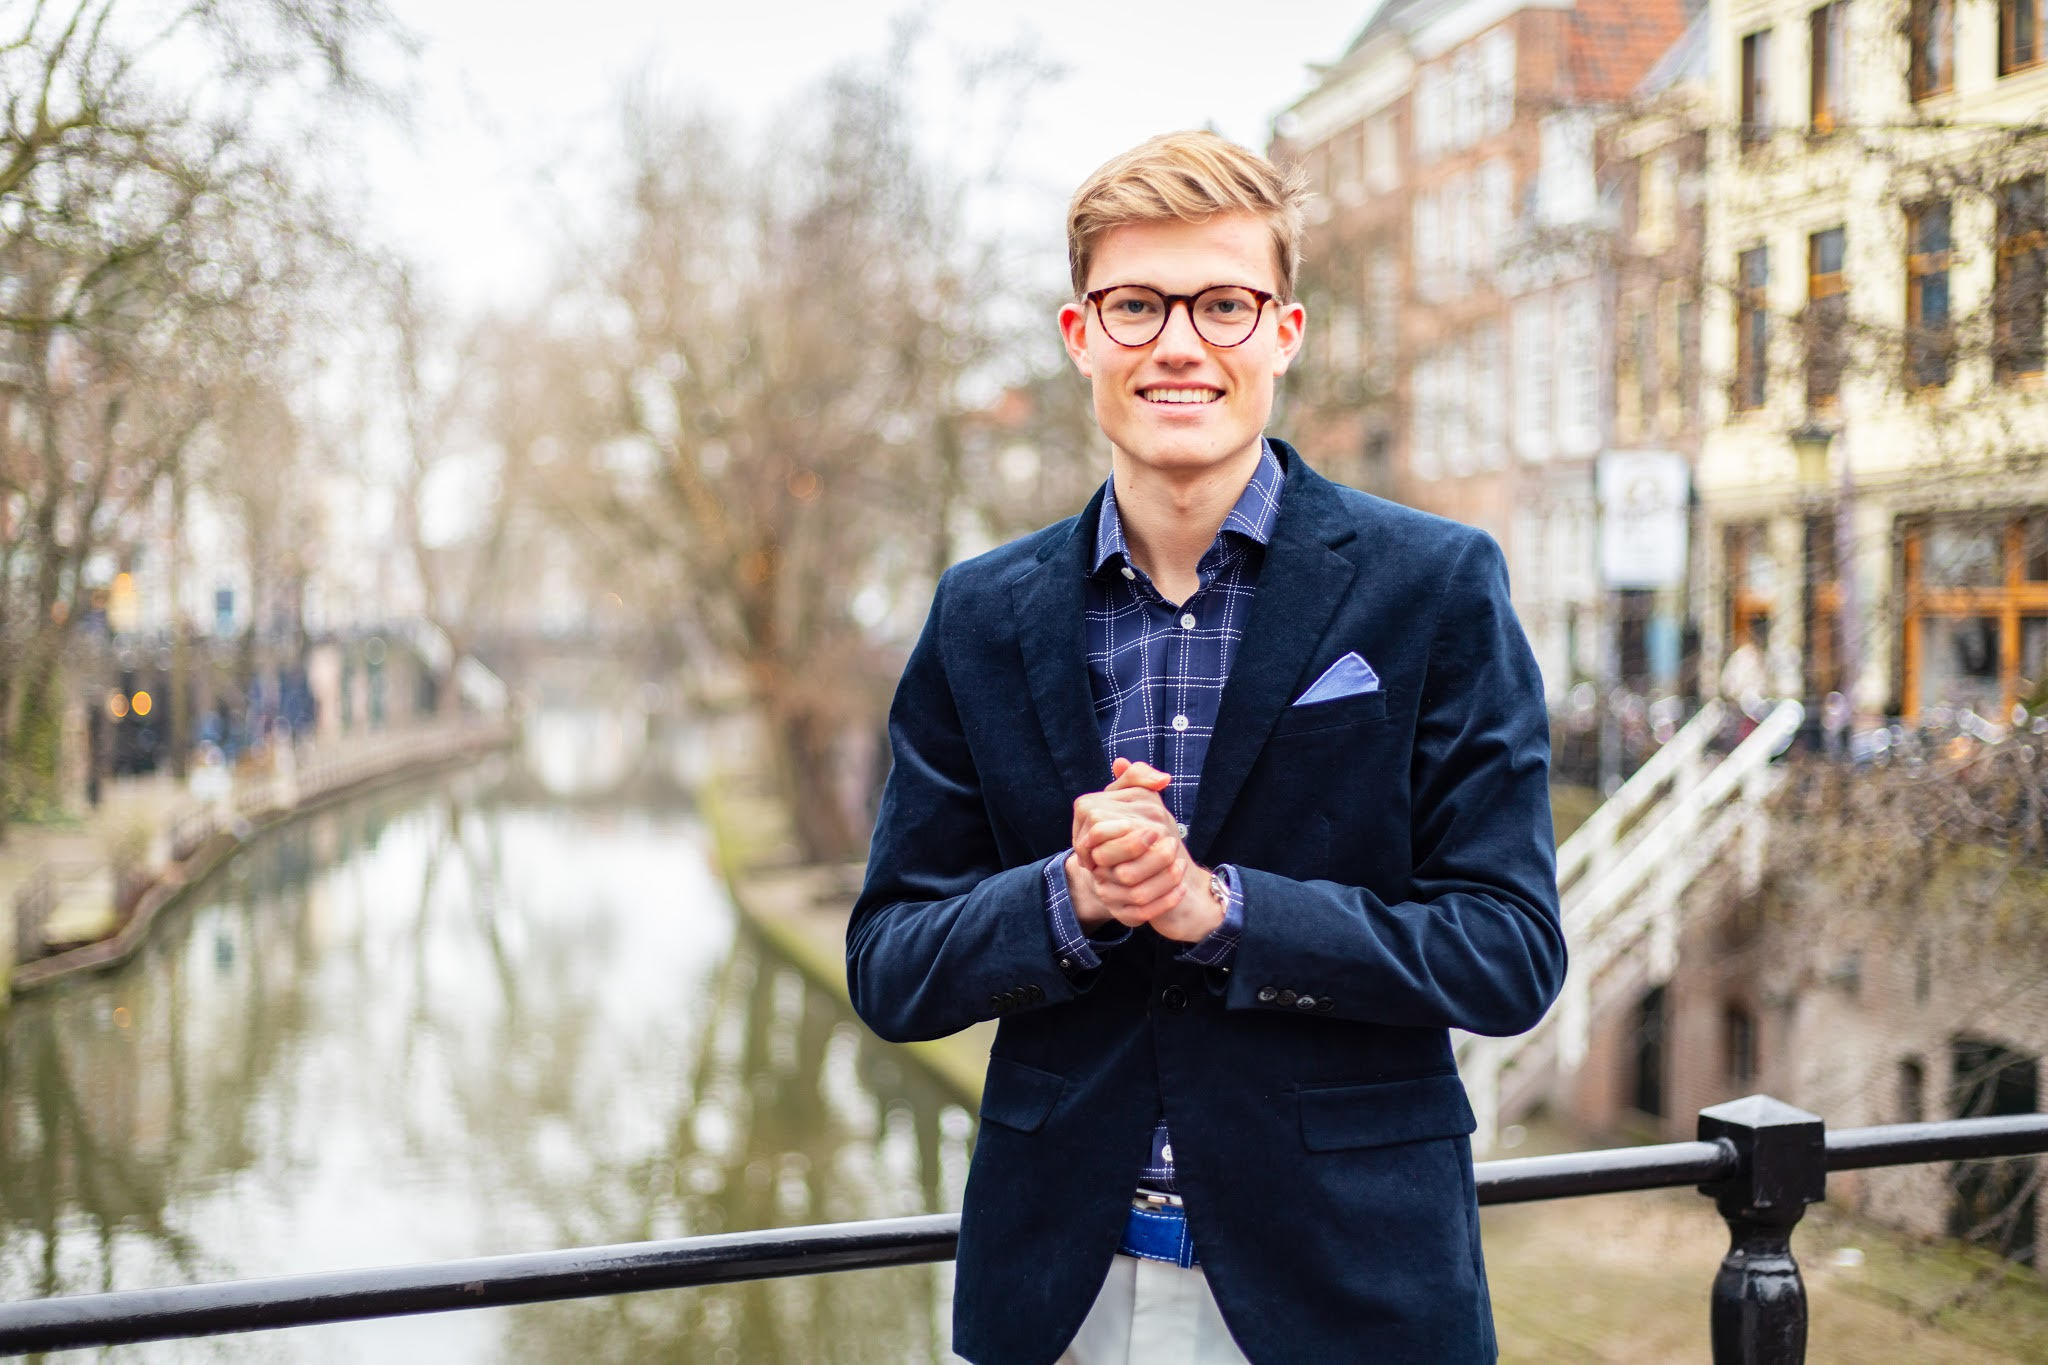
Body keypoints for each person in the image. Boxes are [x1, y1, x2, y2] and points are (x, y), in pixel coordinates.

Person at [846, 131, 1563, 1365]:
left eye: (1222, 303)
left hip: (1347, 1300)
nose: (1179, 344)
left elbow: (1507, 952)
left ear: (1282, 332)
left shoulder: (1434, 588)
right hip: (1057, 1297)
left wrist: (1218, 909)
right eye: (1136, 306)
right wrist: (1068, 899)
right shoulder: (979, 612)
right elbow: (890, 962)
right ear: (1081, 336)